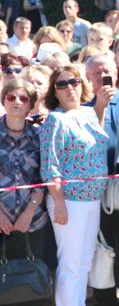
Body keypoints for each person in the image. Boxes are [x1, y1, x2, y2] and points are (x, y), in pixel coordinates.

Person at [40, 64, 108, 306]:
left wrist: (101, 105)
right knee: (70, 265)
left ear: (82, 85)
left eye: (74, 82)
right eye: (62, 84)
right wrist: (59, 203)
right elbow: (50, 167)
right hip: (68, 200)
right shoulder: (54, 120)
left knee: (84, 262)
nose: (69, 88)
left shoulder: (89, 114)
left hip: (93, 199)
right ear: (55, 92)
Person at [0, 79, 50, 274]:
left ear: (30, 104)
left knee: (29, 283)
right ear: (4, 101)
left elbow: (42, 178)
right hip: (1, 219)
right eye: (11, 97)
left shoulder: (40, 136)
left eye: (23, 98)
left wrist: (28, 213)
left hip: (33, 220)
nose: (17, 102)